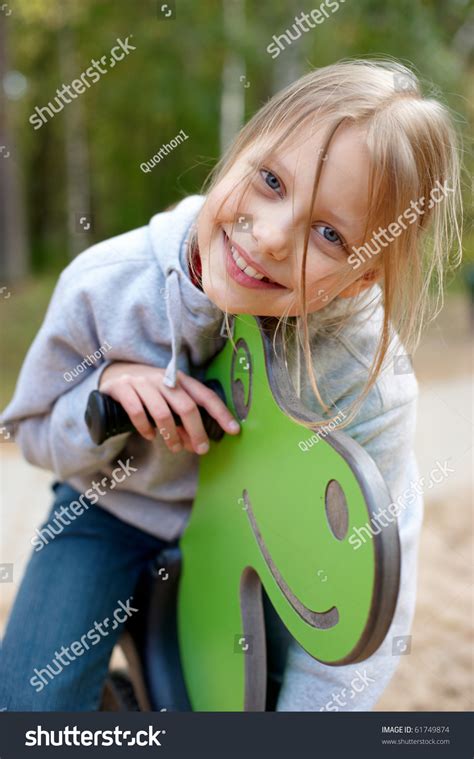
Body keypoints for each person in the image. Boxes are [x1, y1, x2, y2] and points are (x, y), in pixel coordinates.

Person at [0, 58, 462, 711]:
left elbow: (366, 609)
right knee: (30, 711)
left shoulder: (365, 379)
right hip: (107, 513)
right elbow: (33, 435)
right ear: (239, 149)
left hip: (255, 560)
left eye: (329, 234)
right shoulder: (108, 284)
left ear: (364, 278)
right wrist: (103, 398)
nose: (271, 237)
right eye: (270, 180)